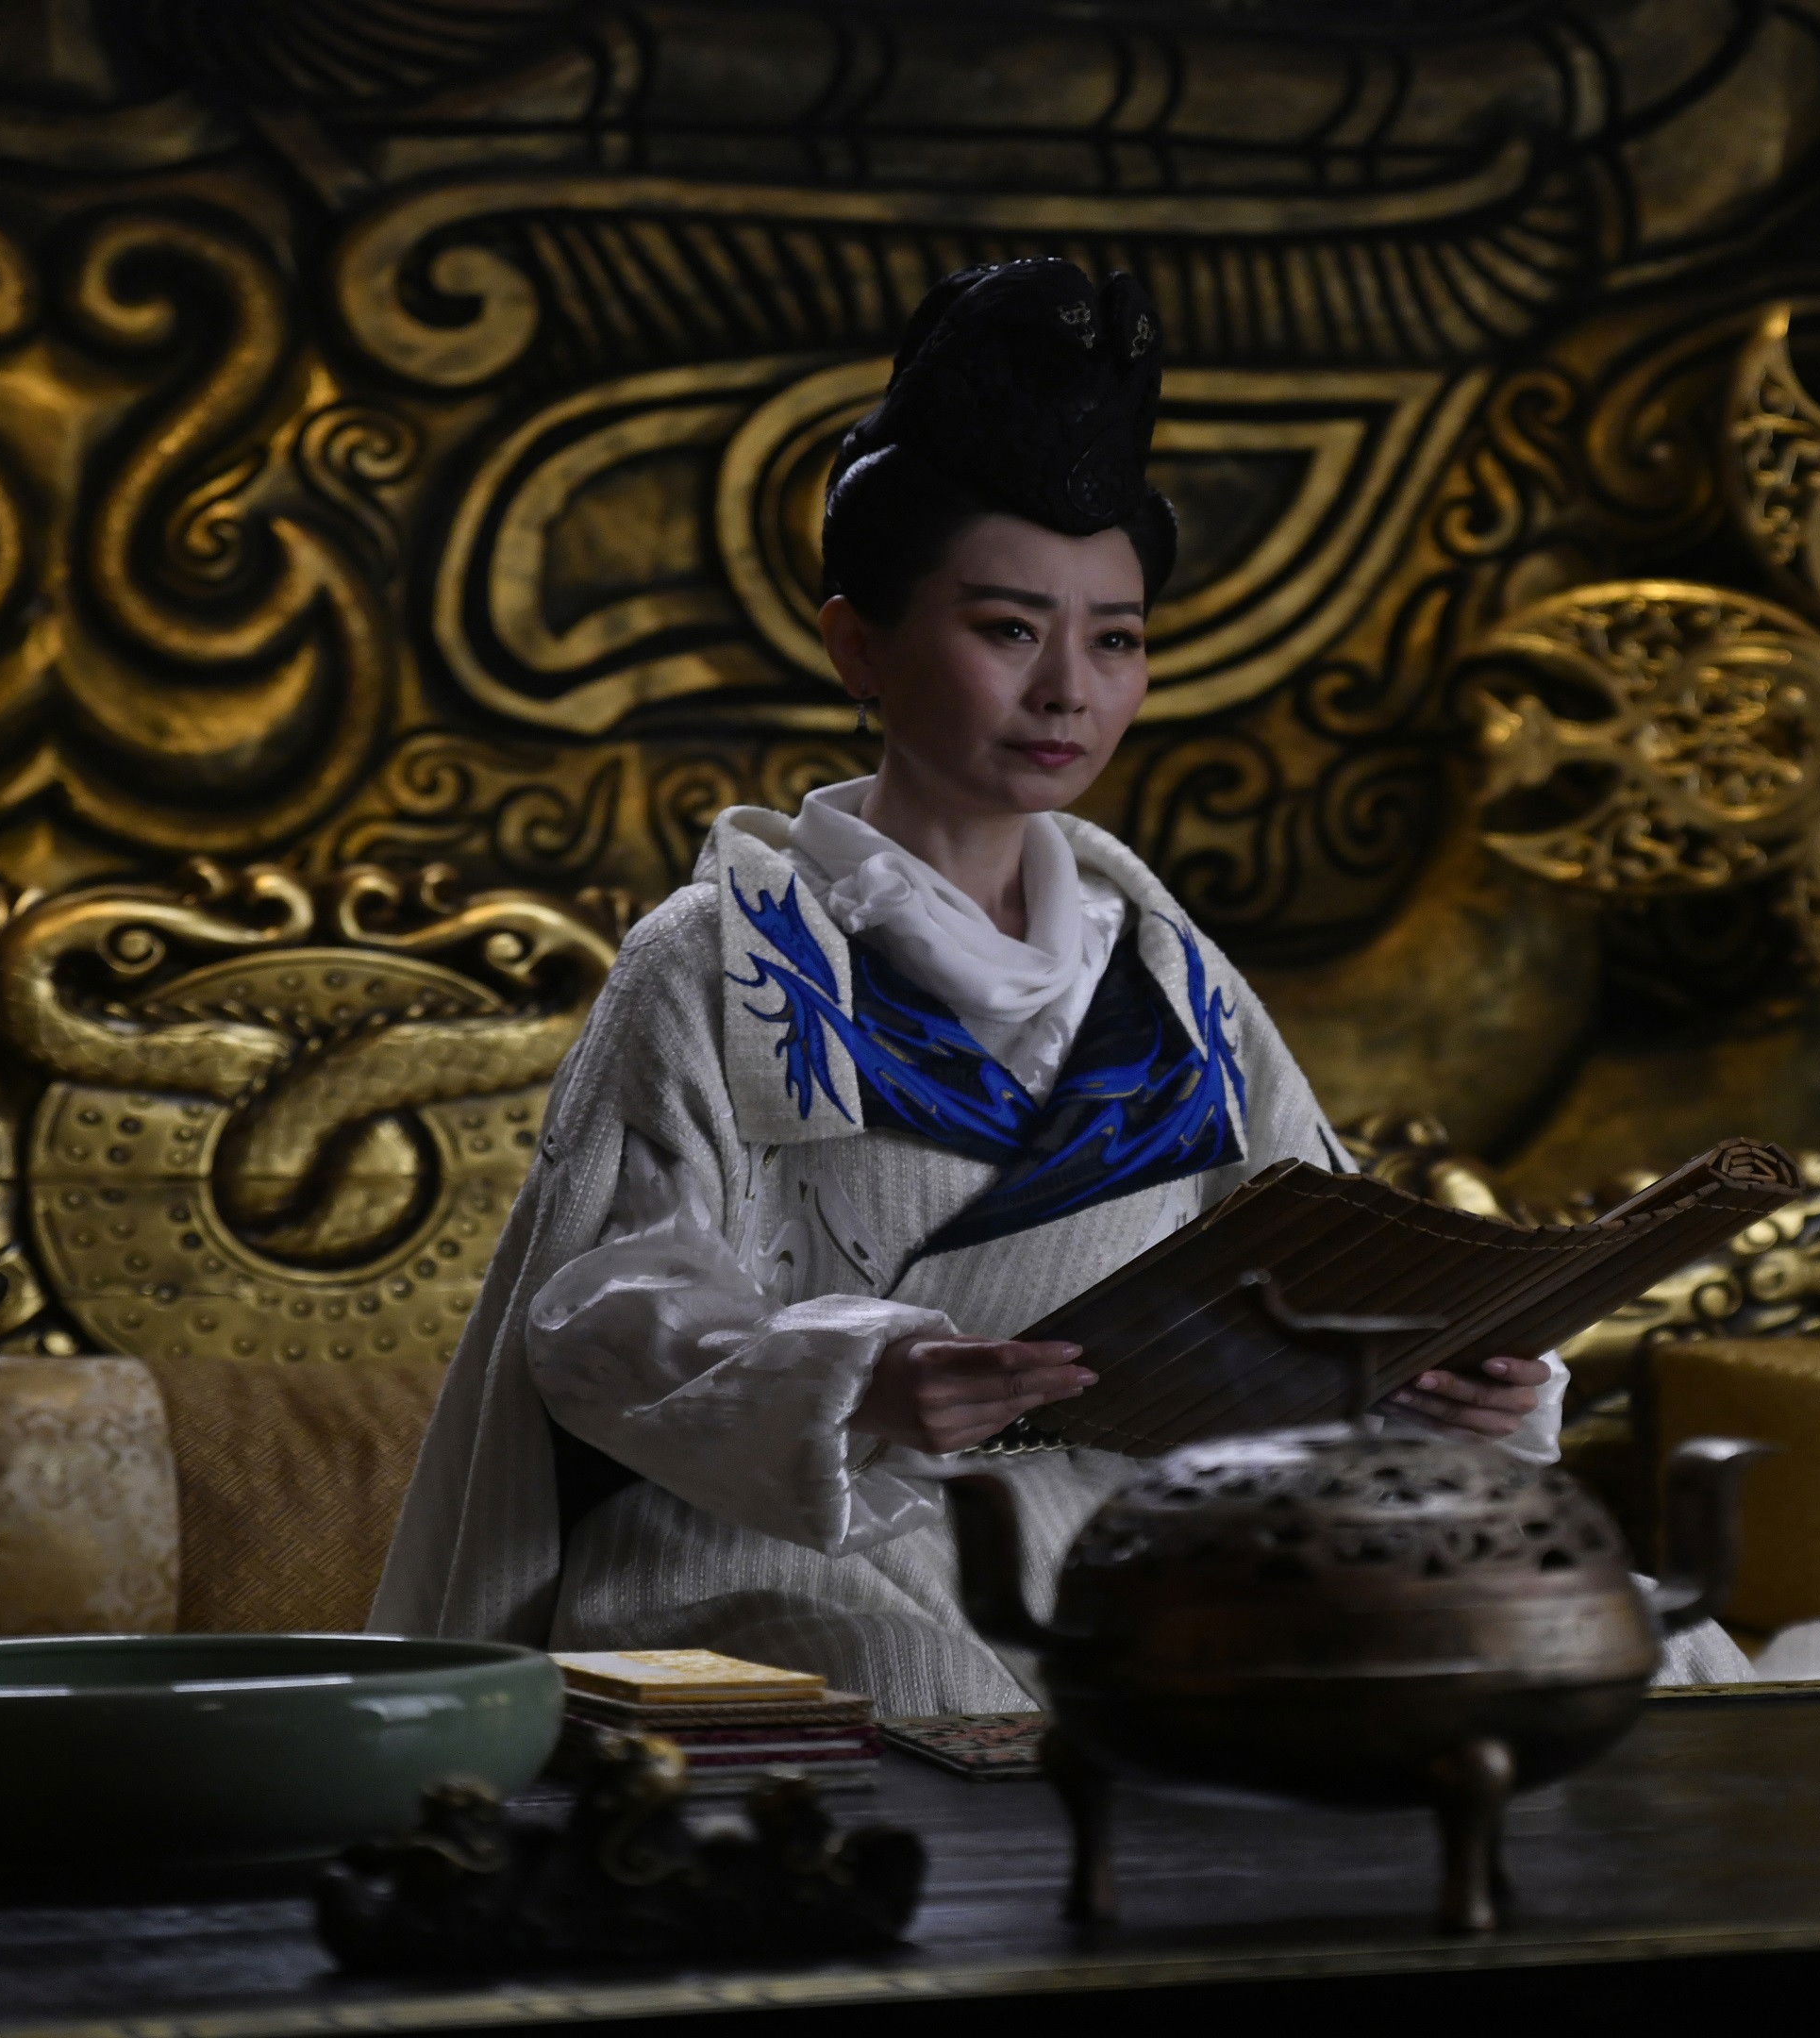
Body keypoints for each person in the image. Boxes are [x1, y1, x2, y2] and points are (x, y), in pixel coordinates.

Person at [371, 259, 1750, 1709]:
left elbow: (1319, 1263)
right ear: (858, 643)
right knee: (912, 1683)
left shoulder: (1163, 970)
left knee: (1630, 1637)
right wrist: (859, 1381)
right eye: (1009, 629)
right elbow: (600, 1313)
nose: (1068, 691)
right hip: (808, 1536)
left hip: (1145, 1533)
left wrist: (1440, 1374)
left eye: (1117, 639)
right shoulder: (722, 954)